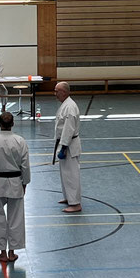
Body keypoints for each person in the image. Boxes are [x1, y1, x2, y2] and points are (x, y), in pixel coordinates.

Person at [0, 112, 31, 263]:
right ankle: (12, 252)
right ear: (13, 124)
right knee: (16, 218)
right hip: (15, 182)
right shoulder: (20, 141)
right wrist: (25, 182)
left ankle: (2, 252)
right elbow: (25, 165)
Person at [53, 81, 82, 213]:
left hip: (69, 145)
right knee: (65, 173)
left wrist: (64, 147)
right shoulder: (66, 105)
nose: (55, 94)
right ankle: (68, 197)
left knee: (71, 175)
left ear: (64, 92)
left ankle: (75, 203)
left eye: (56, 91)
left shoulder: (70, 107)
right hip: (65, 144)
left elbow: (68, 129)